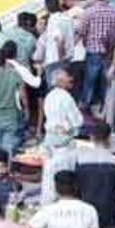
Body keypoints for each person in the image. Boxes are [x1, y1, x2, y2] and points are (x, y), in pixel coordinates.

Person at [41, 69, 84, 204]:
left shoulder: (49, 96)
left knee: (48, 179)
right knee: (65, 178)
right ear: (60, 80)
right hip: (64, 144)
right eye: (68, 76)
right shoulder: (65, 97)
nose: (71, 79)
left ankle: (47, 205)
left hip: (49, 142)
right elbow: (77, 121)